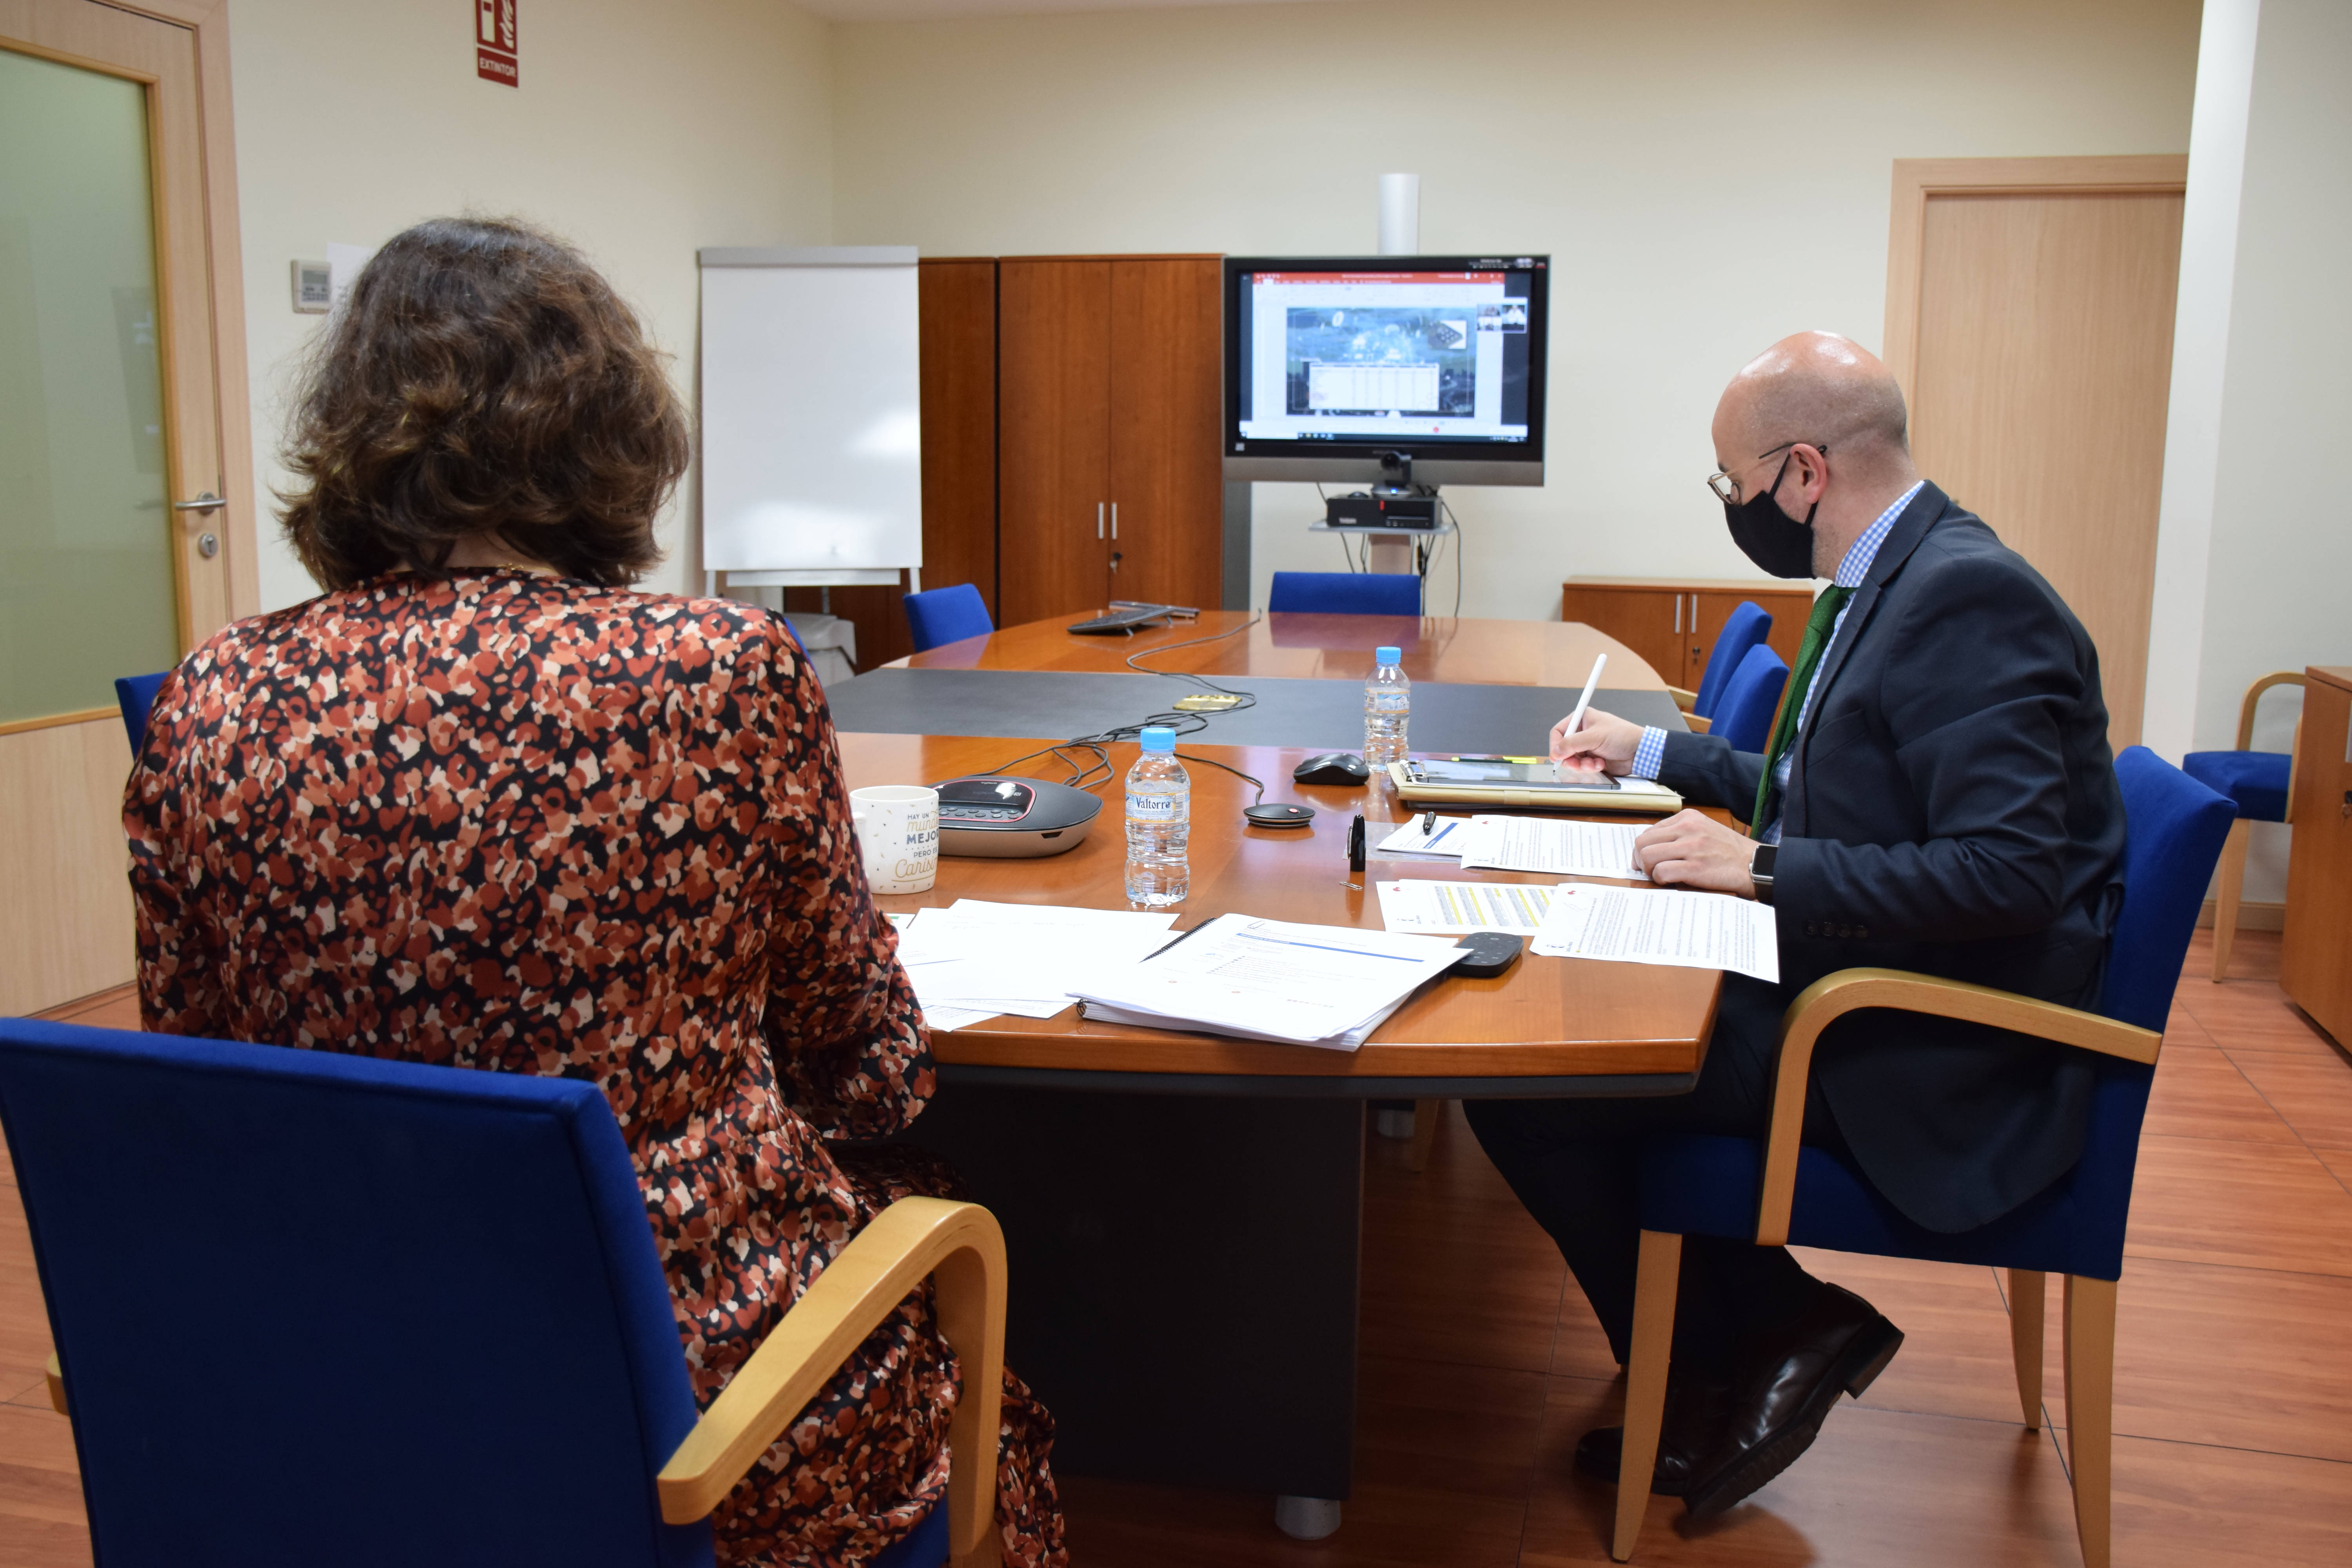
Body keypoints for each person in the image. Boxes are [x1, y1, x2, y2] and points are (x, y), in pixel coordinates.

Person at [121, 217, 1068, 1568]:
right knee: (947, 1269)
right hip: (683, 1405)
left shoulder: (214, 691)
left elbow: (199, 1067)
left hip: (340, 1374)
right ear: (611, 433)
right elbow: (863, 1065)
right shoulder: (716, 669)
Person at [1468, 330, 2124, 1521]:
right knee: (1582, 1031)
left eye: (1735, 482)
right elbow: (1820, 786)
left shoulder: (1965, 597)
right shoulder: (1903, 574)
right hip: (1863, 982)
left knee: (1535, 1086)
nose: (1735, 506)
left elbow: (2010, 872)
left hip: (1937, 1045)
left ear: (1805, 472)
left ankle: (1738, 1351)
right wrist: (1656, 752)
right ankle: (1746, 1345)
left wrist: (1760, 867)